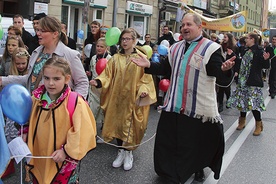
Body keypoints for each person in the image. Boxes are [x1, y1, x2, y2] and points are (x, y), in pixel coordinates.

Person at [131, 13, 236, 183]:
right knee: (168, 142)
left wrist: (225, 70)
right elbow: (166, 68)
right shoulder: (176, 47)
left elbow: (218, 74)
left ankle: (198, 168)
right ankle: (167, 170)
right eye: (182, 25)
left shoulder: (211, 48)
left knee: (195, 144)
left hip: (197, 107)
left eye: (189, 24)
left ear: (199, 27)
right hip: (174, 104)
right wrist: (149, 64)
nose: (185, 28)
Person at [90, 28, 156, 171]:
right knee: (117, 125)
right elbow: (107, 75)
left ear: (134, 40)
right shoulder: (115, 58)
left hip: (133, 99)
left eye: (128, 39)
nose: (124, 42)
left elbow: (146, 79)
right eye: (123, 39)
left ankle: (129, 152)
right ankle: (121, 151)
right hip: (117, 99)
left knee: (131, 126)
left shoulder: (140, 58)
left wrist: (143, 91)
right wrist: (99, 82)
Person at [24, 56, 96, 183]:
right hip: (40, 156)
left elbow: (82, 133)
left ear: (67, 79)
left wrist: (66, 151)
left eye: (56, 79)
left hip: (62, 162)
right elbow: (26, 119)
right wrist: (24, 132)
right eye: (46, 78)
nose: (50, 83)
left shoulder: (75, 102)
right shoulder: (35, 99)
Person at [0, 16, 89, 98]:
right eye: (38, 30)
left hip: (59, 111)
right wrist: (3, 80)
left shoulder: (69, 55)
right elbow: (30, 79)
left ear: (55, 34)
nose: (38, 33)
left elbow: (82, 82)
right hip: (36, 108)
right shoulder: (36, 52)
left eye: (42, 31)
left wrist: (74, 103)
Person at [227, 32, 270, 136]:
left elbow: (264, 66)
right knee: (242, 102)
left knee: (254, 103)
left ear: (252, 40)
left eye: (247, 38)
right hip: (243, 81)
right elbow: (241, 62)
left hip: (253, 81)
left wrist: (266, 60)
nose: (245, 40)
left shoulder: (259, 51)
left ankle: (258, 124)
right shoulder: (245, 50)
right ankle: (242, 121)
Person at [2, 47, 30, 179]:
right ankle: (10, 162)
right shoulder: (10, 73)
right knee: (10, 136)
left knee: (26, 140)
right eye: (17, 64)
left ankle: (27, 169)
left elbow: (24, 82)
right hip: (13, 112)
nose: (20, 66)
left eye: (23, 63)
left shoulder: (30, 75)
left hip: (25, 111)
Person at [87, 38, 111, 138]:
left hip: (104, 89)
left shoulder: (110, 59)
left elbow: (110, 75)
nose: (99, 48)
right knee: (91, 110)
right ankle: (92, 133)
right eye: (97, 46)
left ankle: (103, 134)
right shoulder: (93, 58)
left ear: (106, 48)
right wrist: (89, 74)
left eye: (101, 46)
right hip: (93, 89)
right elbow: (93, 70)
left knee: (103, 112)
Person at [217, 32, 239, 112]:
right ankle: (220, 104)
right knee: (221, 87)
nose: (224, 38)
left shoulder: (234, 47)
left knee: (227, 87)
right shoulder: (221, 46)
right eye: (224, 37)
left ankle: (229, 99)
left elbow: (237, 60)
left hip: (230, 70)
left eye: (225, 37)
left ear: (229, 38)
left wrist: (236, 71)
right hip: (222, 68)